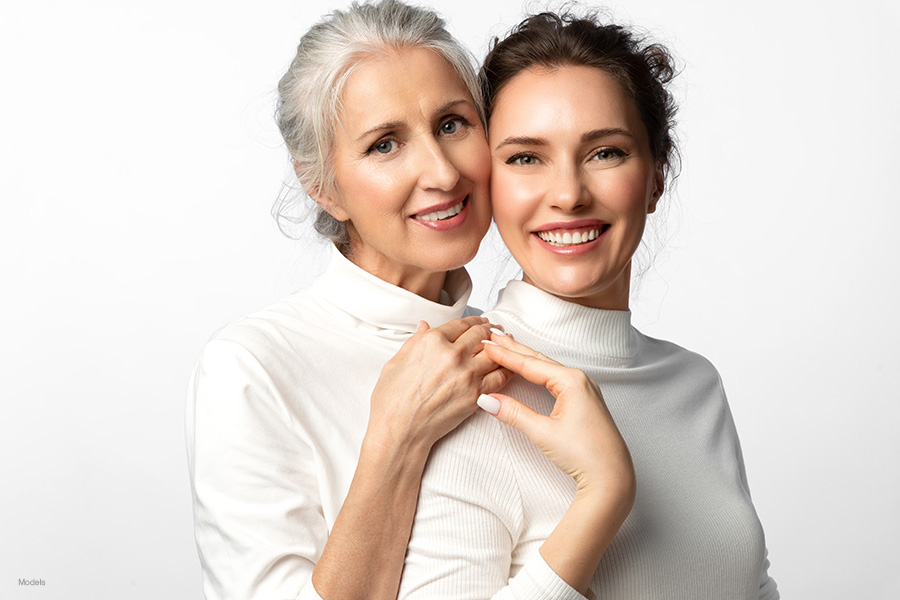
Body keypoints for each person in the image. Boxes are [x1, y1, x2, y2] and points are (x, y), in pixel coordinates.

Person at [396, 11, 779, 600]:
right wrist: (603, 494)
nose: (570, 193)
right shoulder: (468, 386)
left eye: (605, 153)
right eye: (526, 157)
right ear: (487, 183)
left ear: (657, 177)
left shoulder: (693, 385)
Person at [184, 2, 511, 598]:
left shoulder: (510, 346)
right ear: (322, 186)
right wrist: (398, 436)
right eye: (385, 144)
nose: (440, 172)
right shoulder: (250, 368)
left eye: (452, 124)